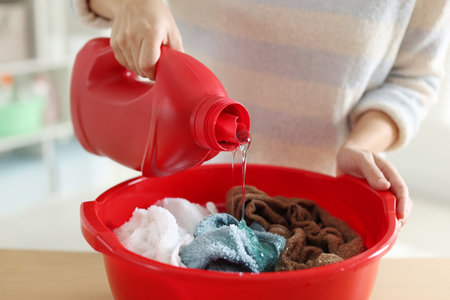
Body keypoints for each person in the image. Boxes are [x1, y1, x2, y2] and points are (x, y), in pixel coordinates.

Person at [72, 0, 450, 224]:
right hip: (182, 193)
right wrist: (134, 4)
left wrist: (363, 144)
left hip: (328, 193)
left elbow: (414, 77)